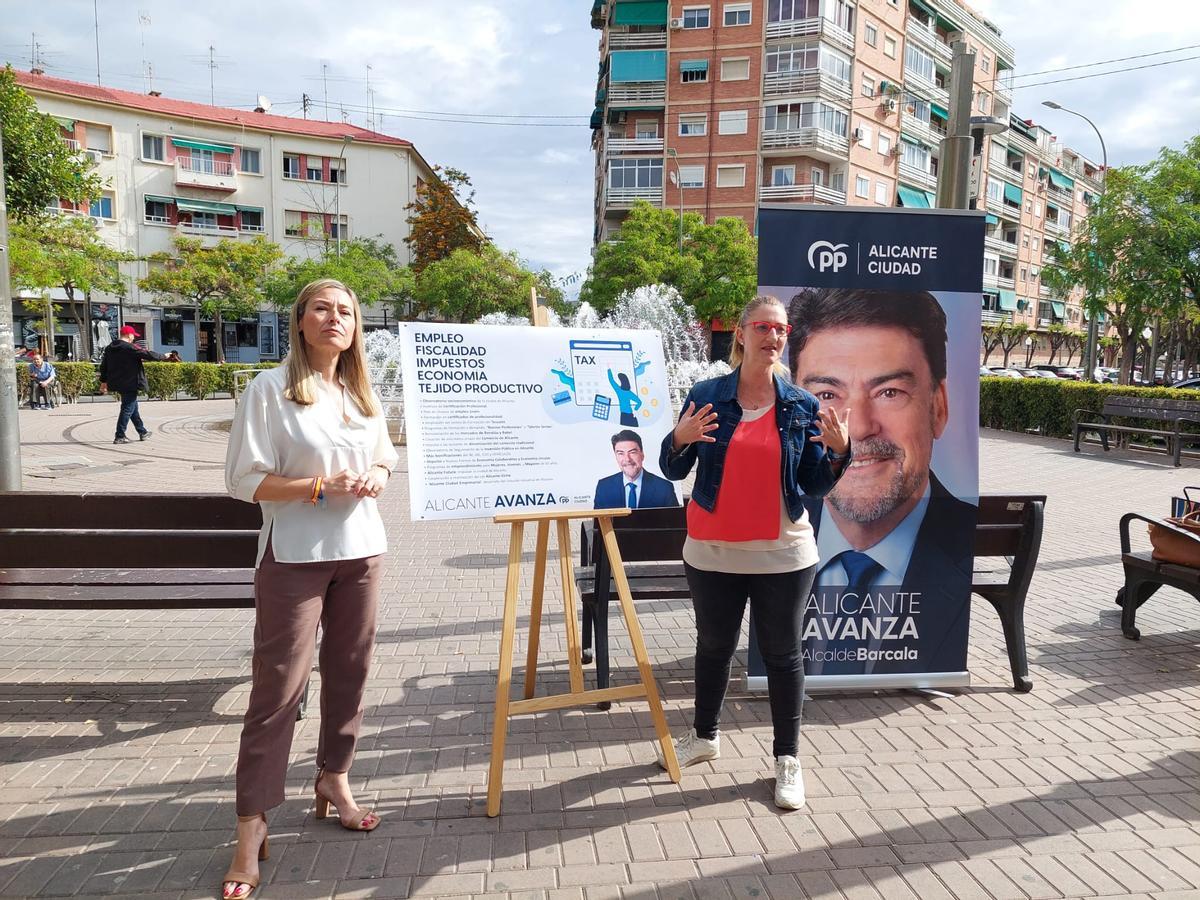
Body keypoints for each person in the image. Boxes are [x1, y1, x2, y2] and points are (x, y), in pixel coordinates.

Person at [221, 279, 398, 900]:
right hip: (294, 557)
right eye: (322, 309)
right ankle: (251, 826)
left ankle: (334, 779)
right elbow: (245, 480)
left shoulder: (359, 391)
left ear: (356, 327)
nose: (335, 319)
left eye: (346, 311)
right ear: (299, 321)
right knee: (278, 689)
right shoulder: (269, 390)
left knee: (349, 674)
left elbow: (384, 458)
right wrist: (318, 488)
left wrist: (375, 474)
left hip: (361, 554)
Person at [658, 295, 850, 810]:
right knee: (714, 647)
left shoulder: (802, 406)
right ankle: (704, 737)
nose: (772, 336)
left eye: (781, 329)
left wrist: (838, 454)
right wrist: (677, 439)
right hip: (712, 549)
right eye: (762, 326)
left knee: (784, 655)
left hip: (782, 552)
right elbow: (674, 470)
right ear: (741, 334)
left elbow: (812, 483)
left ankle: (787, 759)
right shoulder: (706, 394)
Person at [786, 288, 976, 674]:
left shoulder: (961, 546)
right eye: (826, 394)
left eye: (889, 392)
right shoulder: (775, 526)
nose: (856, 427)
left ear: (938, 407)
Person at [99, 325, 166, 444]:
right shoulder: (130, 347)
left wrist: (103, 382)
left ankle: (142, 432)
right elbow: (147, 354)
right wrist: (163, 356)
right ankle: (120, 435)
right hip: (131, 382)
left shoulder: (109, 348)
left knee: (133, 407)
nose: (133, 338)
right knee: (127, 408)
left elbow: (104, 366)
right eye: (133, 336)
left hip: (118, 383)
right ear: (129, 335)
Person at [594, 430, 679, 509]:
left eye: (632, 452)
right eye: (620, 453)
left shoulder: (664, 488)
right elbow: (598, 523)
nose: (627, 459)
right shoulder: (604, 487)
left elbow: (673, 524)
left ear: (642, 454)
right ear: (615, 456)